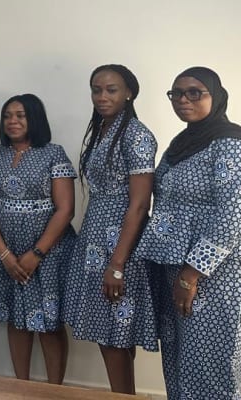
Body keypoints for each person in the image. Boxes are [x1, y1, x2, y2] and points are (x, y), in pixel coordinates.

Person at [136, 67, 241, 399]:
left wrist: (191, 274)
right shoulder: (181, 143)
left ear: (215, 95)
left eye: (195, 92)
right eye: (177, 93)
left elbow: (231, 216)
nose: (183, 99)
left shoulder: (230, 143)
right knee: (179, 355)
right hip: (172, 266)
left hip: (211, 274)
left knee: (210, 358)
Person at [62, 65, 158, 395]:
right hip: (96, 237)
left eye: (111, 89)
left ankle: (123, 396)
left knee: (115, 332)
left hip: (120, 243)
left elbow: (139, 204)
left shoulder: (136, 135)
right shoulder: (103, 129)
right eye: (96, 89)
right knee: (113, 331)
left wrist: (117, 264)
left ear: (129, 92)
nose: (102, 96)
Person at [0, 94, 76, 383]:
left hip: (48, 252)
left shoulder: (53, 153)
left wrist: (37, 253)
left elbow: (66, 209)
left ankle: (54, 392)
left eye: (20, 115)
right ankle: (22, 388)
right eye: (7, 116)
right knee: (16, 319)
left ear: (34, 118)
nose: (12, 121)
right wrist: (4, 254)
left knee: (49, 323)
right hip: (5, 250)